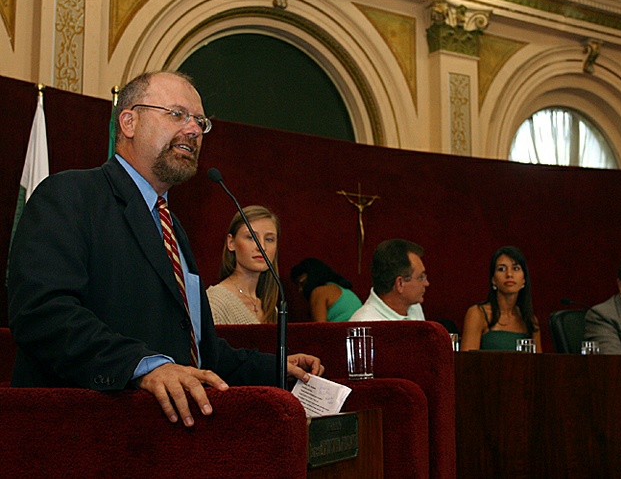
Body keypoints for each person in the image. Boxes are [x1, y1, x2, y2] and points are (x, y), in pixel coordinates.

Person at [7, 71, 323, 428]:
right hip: (81, 432)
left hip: (162, 438)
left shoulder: (172, 228)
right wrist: (143, 367)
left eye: (200, 122)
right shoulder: (70, 196)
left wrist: (276, 367)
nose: (192, 130)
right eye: (177, 114)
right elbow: (42, 313)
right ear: (129, 121)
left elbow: (199, 352)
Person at [207, 205, 280, 324]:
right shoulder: (215, 302)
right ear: (231, 242)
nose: (261, 247)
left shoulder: (271, 309)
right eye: (251, 237)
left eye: (269, 239)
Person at [460, 246, 541, 351]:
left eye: (516, 268)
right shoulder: (477, 313)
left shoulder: (530, 320)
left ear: (524, 279)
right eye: (501, 269)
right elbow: (466, 361)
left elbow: (539, 363)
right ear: (493, 279)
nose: (509, 274)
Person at [349, 239, 428, 321]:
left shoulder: (414, 308)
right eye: (421, 277)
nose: (426, 283)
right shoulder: (365, 324)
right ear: (400, 283)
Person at [290, 258, 362, 322]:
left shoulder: (319, 292)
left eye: (302, 283)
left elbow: (320, 330)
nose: (300, 289)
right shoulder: (343, 291)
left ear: (313, 276)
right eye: (297, 286)